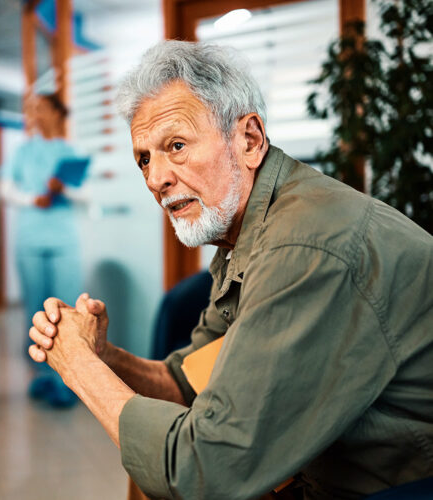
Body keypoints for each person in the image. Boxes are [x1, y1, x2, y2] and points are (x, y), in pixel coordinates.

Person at [28, 41, 433, 499]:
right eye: (144, 157)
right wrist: (103, 356)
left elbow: (204, 473)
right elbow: (185, 384)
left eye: (175, 146)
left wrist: (77, 365)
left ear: (249, 140)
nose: (156, 178)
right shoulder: (246, 229)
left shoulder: (304, 244)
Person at [0, 93, 88, 409]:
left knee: (64, 312)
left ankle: (66, 379)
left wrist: (63, 188)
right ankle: (41, 377)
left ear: (55, 113)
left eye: (39, 108)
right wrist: (30, 199)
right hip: (30, 241)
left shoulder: (71, 152)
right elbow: (5, 189)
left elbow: (87, 194)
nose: (34, 114)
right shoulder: (23, 152)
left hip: (63, 241)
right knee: (36, 312)